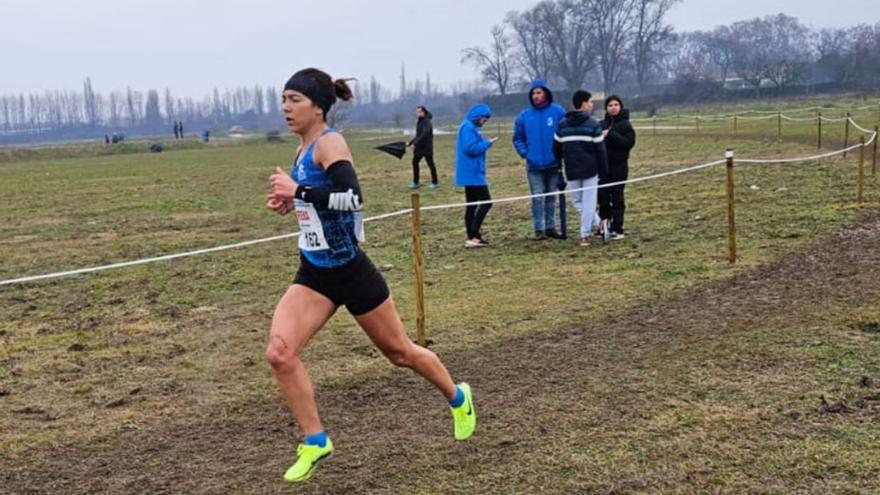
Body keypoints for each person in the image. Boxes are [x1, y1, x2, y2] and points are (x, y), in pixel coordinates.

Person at [265, 68, 477, 484]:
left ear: (318, 106)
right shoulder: (303, 146)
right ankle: (315, 440)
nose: (285, 108)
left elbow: (353, 198)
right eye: (283, 99)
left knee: (400, 354)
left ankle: (458, 397)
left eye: (294, 100)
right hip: (314, 271)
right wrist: (292, 204)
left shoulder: (330, 142)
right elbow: (322, 203)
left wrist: (300, 192)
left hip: (351, 271)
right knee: (279, 353)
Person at [513, 79, 566, 240]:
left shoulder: (558, 112)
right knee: (537, 197)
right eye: (533, 93)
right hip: (534, 164)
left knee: (551, 196)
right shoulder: (524, 115)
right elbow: (518, 138)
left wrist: (562, 153)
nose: (536, 96)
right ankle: (538, 229)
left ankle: (551, 227)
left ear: (546, 93)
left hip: (553, 163)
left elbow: (565, 132)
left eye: (539, 92)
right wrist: (525, 153)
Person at [553, 90, 608, 247]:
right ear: (583, 103)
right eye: (590, 102)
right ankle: (596, 226)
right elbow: (601, 150)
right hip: (582, 170)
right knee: (581, 203)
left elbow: (556, 149)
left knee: (583, 203)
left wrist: (559, 164)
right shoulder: (590, 124)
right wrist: (604, 170)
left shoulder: (564, 124)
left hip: (578, 170)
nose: (592, 105)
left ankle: (587, 233)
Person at [455, 103, 496, 248]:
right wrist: (487, 143)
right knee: (486, 202)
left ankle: (472, 237)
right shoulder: (468, 128)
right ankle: (474, 233)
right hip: (472, 173)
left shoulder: (470, 127)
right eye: (484, 119)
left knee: (471, 205)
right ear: (478, 117)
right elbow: (470, 148)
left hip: (471, 172)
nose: (484, 122)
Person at [599, 95, 636, 240]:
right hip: (603, 167)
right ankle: (604, 226)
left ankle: (618, 227)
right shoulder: (601, 124)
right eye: (610, 105)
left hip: (619, 166)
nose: (613, 107)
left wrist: (610, 134)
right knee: (602, 197)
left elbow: (628, 143)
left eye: (616, 105)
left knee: (617, 197)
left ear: (620, 106)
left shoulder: (626, 125)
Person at [407, 106, 438, 189]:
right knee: (415, 162)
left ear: (424, 112)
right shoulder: (420, 121)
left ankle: (435, 182)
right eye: (417, 112)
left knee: (430, 164)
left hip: (426, 148)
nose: (417, 113)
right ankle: (416, 182)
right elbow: (418, 135)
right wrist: (410, 143)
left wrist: (415, 144)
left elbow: (424, 134)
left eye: (419, 112)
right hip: (419, 148)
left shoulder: (427, 122)